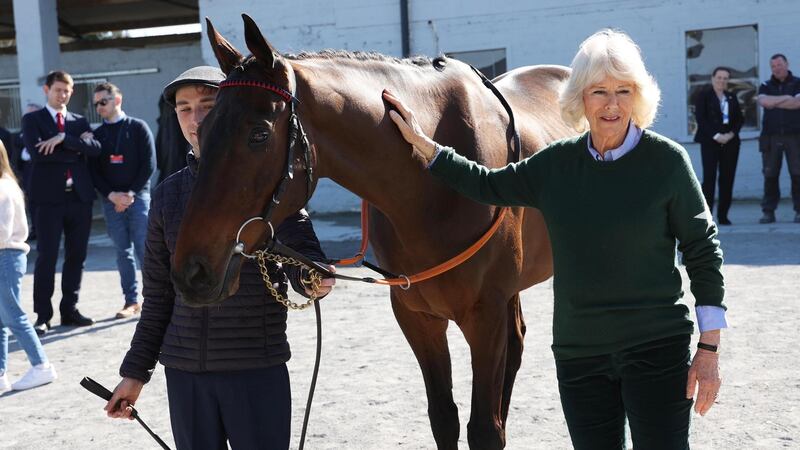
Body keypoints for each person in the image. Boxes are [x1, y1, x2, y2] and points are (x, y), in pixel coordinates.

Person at [384, 30, 725, 449]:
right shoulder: (557, 164)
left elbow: (703, 250)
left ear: (638, 96)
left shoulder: (668, 162)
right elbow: (487, 185)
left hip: (656, 350)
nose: (612, 104)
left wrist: (708, 348)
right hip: (581, 357)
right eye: (599, 91)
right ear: (580, 97)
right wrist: (426, 147)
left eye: (623, 90)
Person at [104, 66, 337, 450]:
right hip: (185, 376)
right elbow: (159, 296)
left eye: (207, 105)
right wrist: (134, 374)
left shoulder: (267, 184)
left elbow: (302, 253)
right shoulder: (166, 197)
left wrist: (311, 278)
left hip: (255, 370)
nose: (195, 119)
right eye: (184, 108)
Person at [22, 71, 101, 335]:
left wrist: (62, 140)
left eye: (67, 91)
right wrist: (76, 149)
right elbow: (38, 155)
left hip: (79, 198)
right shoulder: (32, 120)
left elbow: (95, 149)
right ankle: (42, 316)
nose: (63, 95)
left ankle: (70, 310)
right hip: (48, 200)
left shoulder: (78, 121)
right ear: (46, 90)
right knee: (47, 257)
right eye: (58, 90)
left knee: (76, 256)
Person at [90, 82, 155, 319]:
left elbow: (149, 164)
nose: (98, 107)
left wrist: (130, 194)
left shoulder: (138, 127)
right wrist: (111, 195)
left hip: (137, 198)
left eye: (103, 102)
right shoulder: (97, 135)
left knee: (144, 249)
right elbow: (94, 172)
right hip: (111, 201)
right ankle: (131, 301)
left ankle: (155, 300)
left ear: (117, 100)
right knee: (122, 252)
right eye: (95, 103)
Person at [0, 141, 57, 393]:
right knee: (2, 319)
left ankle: (41, 365)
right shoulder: (7, 184)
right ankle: (1, 373)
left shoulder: (3, 186)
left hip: (6, 255)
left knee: (13, 315)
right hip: (7, 255)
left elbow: (1, 232)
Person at [694, 66, 744, 225]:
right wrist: (716, 136)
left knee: (727, 178)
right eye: (719, 77)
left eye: (725, 78)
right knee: (709, 179)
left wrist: (730, 135)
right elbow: (701, 119)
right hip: (710, 142)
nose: (722, 81)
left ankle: (723, 216)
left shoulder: (731, 96)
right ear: (713, 78)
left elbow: (739, 119)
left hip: (730, 143)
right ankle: (706, 216)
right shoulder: (703, 96)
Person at [757, 54, 800, 224]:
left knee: (798, 175)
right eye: (773, 66)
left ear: (787, 64)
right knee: (770, 175)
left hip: (795, 136)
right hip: (771, 137)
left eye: (779, 64)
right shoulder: (765, 85)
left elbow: (798, 104)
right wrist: (788, 99)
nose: (777, 68)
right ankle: (768, 212)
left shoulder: (797, 83)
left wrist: (775, 102)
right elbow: (764, 102)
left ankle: (799, 211)